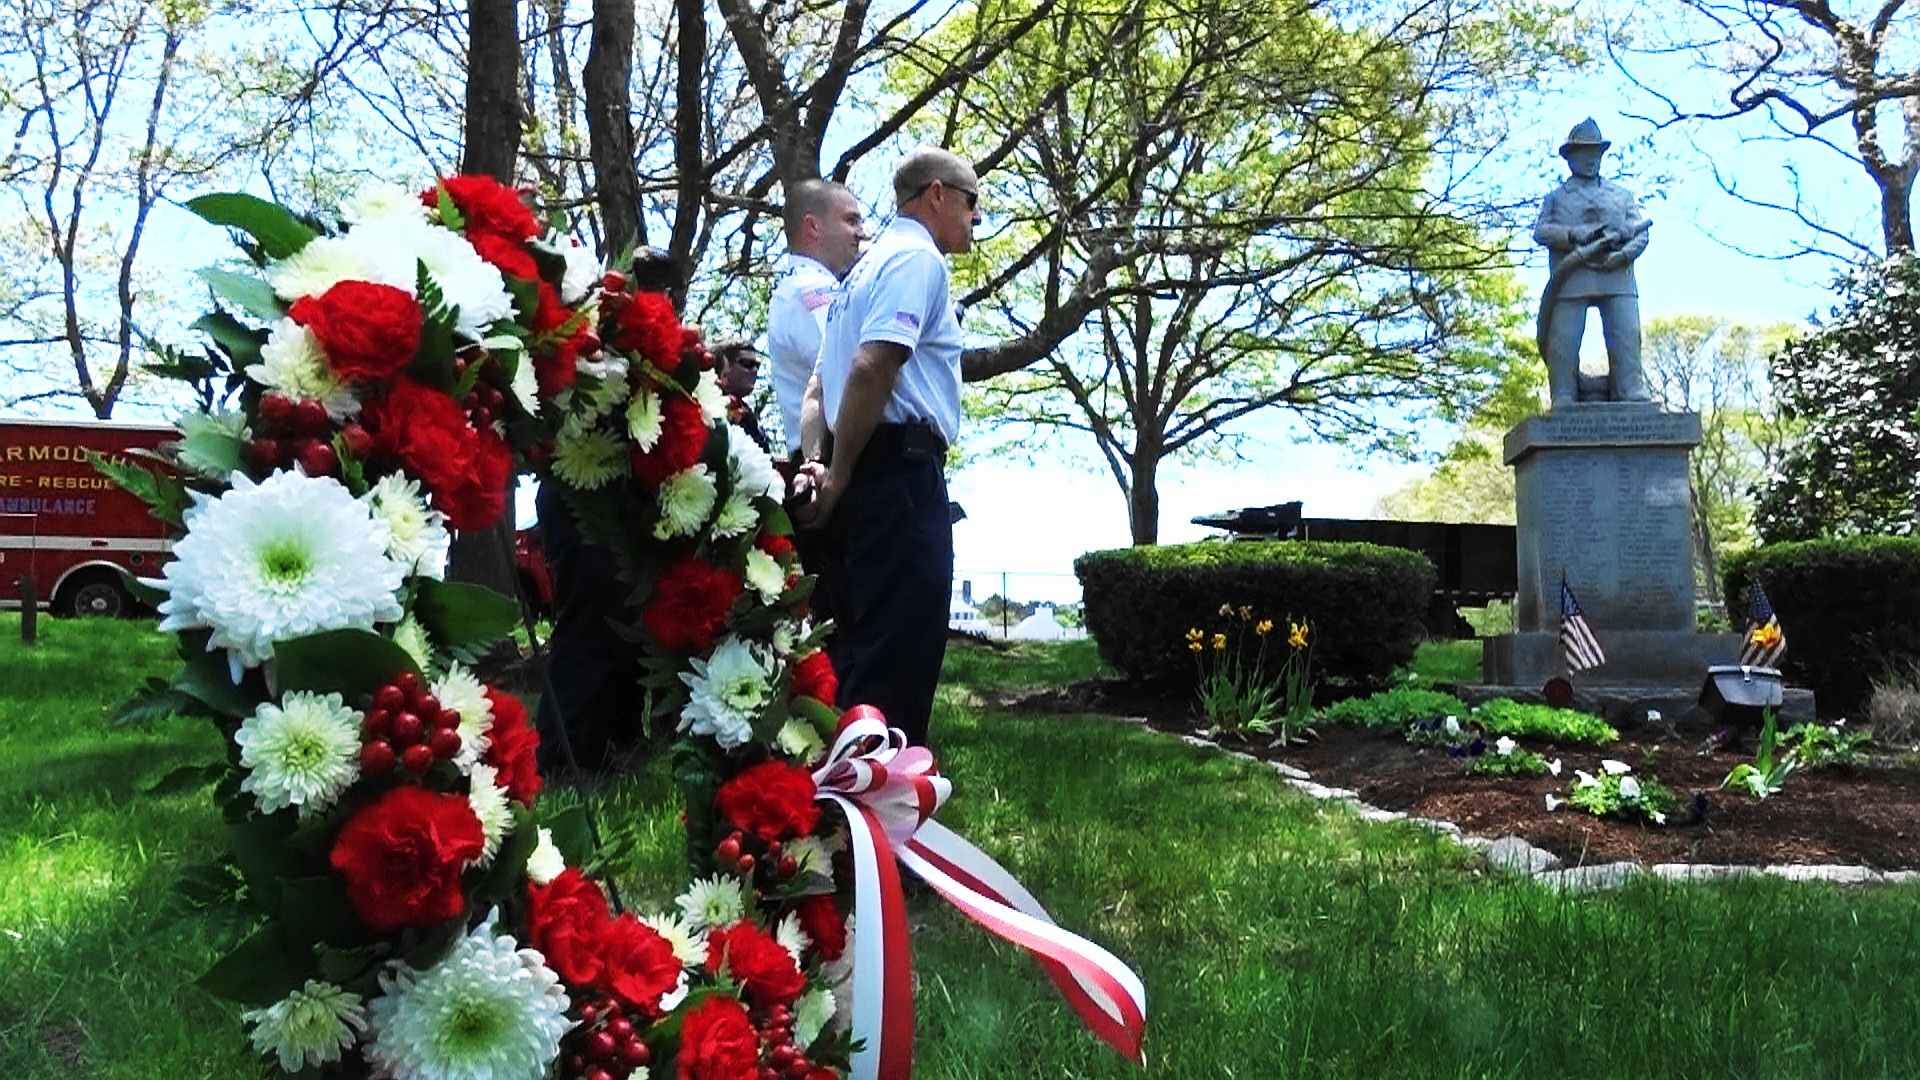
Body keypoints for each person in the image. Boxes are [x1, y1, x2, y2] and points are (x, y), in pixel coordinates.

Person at [794, 147, 980, 748]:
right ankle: (877, 824)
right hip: (896, 475)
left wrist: (817, 464)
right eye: (972, 202)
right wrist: (841, 472)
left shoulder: (860, 274)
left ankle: (834, 819)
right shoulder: (916, 261)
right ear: (935, 195)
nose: (977, 217)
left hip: (860, 474)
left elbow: (819, 387)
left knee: (858, 655)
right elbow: (874, 367)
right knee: (897, 661)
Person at [1533, 118, 1652, 408]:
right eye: (1584, 154)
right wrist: (1573, 235)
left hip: (1618, 276)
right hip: (1571, 278)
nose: (1591, 160)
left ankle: (1630, 387)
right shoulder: (1557, 198)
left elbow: (1640, 231)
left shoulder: (1621, 195)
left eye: (1596, 154)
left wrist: (1622, 255)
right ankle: (1564, 392)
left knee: (1627, 333)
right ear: (1570, 158)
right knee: (1564, 338)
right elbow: (1541, 231)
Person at [768, 179, 867, 461]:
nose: (861, 234)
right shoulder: (810, 290)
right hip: (829, 457)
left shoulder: (804, 286)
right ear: (813, 226)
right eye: (851, 221)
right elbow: (849, 366)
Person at [712, 337, 769, 450]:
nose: (754, 370)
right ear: (724, 365)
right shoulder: (705, 405)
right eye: (747, 364)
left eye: (757, 366)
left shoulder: (749, 416)